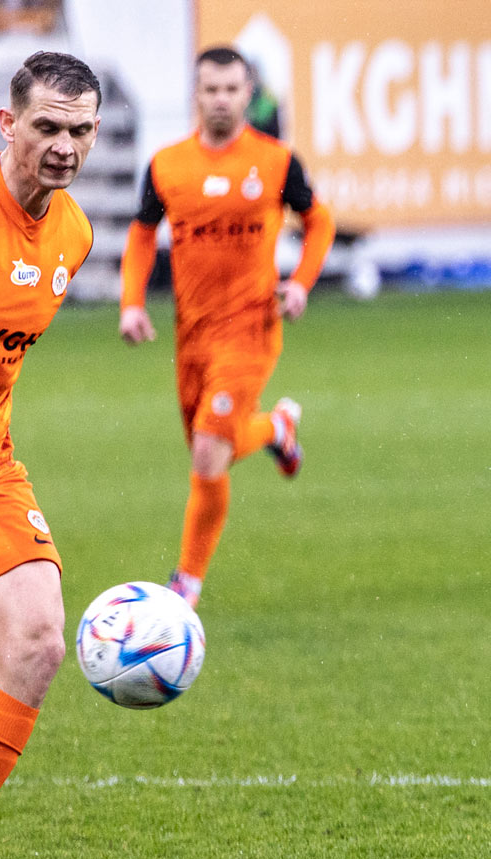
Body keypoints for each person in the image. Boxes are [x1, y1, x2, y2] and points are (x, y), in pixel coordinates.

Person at [0, 50, 101, 859]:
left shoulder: (73, 234)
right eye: (47, 126)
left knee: (40, 640)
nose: (64, 146)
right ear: (8, 123)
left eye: (79, 130)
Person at [119, 46, 335, 609]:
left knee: (208, 456)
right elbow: (143, 233)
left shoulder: (276, 161)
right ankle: (277, 429)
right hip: (192, 335)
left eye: (231, 89)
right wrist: (132, 303)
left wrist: (302, 283)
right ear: (196, 95)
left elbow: (320, 222)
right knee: (211, 449)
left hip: (251, 329)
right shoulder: (167, 165)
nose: (220, 99)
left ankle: (184, 586)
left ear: (248, 94)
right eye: (210, 89)